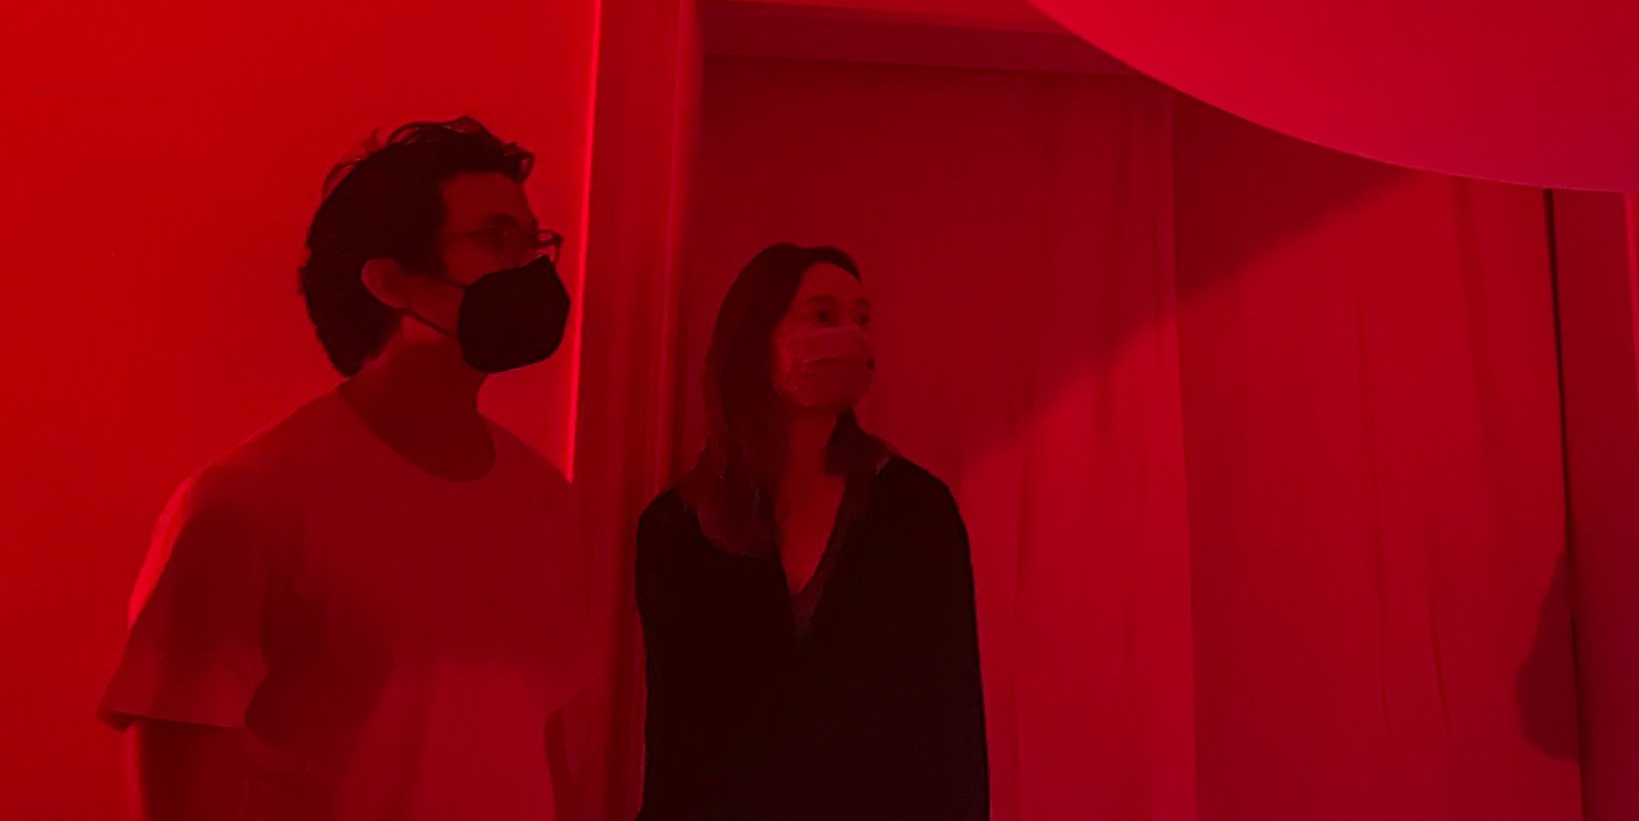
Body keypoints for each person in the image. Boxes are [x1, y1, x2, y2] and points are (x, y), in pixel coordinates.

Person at [101, 117, 594, 821]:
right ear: (390, 280)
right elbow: (181, 774)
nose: (529, 269)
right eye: (496, 240)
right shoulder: (248, 504)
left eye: (534, 242)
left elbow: (541, 749)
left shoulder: (545, 500)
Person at [636, 244, 988, 821]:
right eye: (822, 315)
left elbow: (951, 727)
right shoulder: (678, 528)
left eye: (861, 318)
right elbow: (676, 744)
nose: (849, 334)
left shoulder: (914, 511)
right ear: (757, 340)